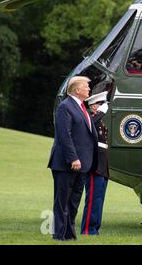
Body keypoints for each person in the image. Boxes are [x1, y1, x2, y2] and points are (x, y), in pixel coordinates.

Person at [47, 76, 98, 241]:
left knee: (74, 201)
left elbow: (83, 132)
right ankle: (59, 235)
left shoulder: (82, 107)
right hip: (66, 164)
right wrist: (73, 158)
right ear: (77, 90)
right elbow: (65, 136)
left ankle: (69, 234)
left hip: (82, 164)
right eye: (86, 87)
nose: (89, 89)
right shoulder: (65, 107)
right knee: (62, 201)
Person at [81, 91, 109, 236]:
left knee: (99, 199)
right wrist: (100, 114)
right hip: (94, 164)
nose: (105, 107)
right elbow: (89, 126)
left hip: (102, 165)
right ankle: (87, 229)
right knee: (93, 199)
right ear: (93, 107)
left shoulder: (101, 121)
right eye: (101, 104)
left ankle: (94, 228)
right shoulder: (90, 119)